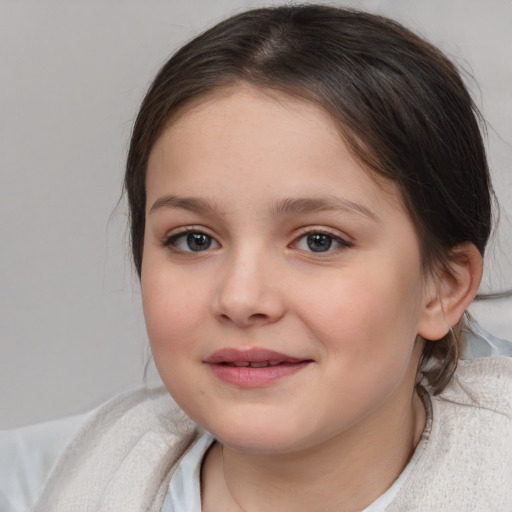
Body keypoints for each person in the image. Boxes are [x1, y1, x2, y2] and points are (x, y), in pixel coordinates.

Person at [2, 4, 511, 511]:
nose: (241, 298)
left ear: (443, 286)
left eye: (319, 241)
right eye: (194, 240)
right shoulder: (61, 480)